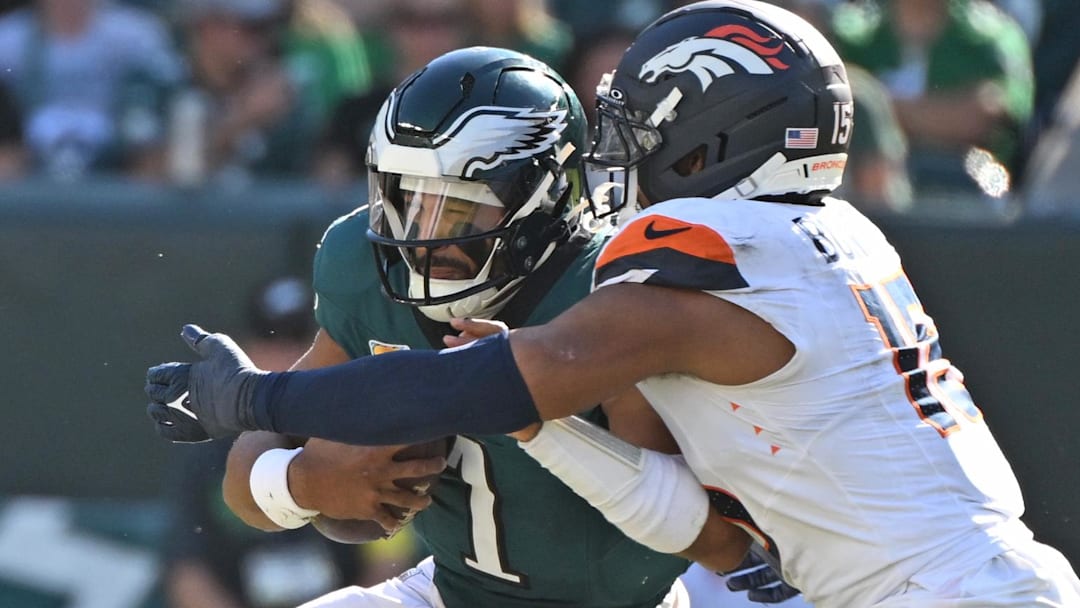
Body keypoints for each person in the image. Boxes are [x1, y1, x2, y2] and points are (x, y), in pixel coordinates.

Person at [145, 2, 1080, 605]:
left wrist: (257, 402)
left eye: (640, 126)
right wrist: (304, 472)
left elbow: (511, 382)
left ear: (714, 141)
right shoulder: (833, 234)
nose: (618, 155)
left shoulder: (691, 264)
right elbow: (651, 491)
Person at [158, 46, 793, 607]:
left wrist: (524, 407)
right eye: (404, 200)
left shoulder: (611, 291)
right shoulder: (361, 266)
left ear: (543, 199)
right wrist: (306, 482)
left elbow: (675, 525)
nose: (418, 238)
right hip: (449, 589)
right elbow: (247, 479)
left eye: (455, 210)